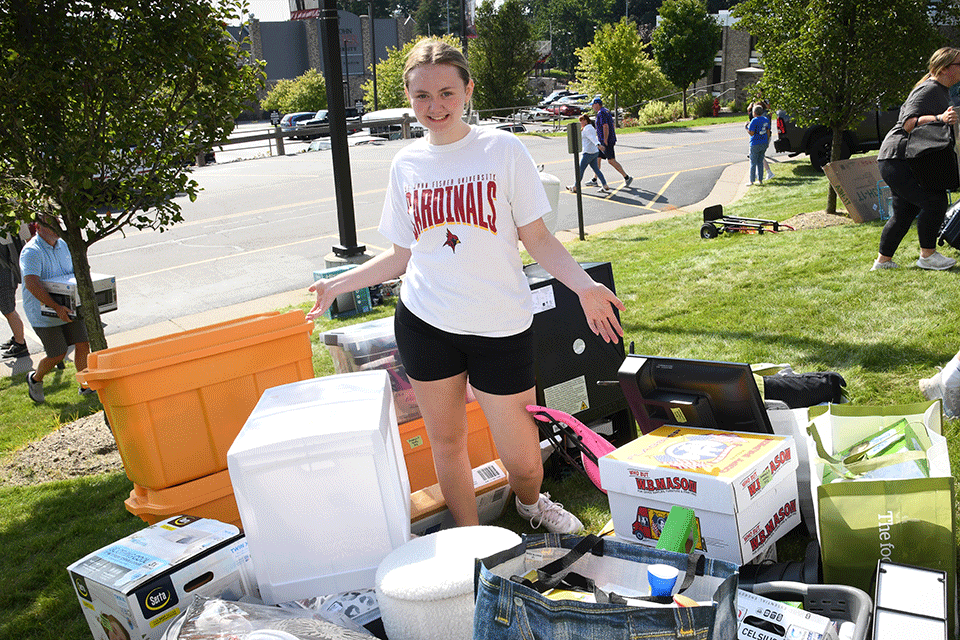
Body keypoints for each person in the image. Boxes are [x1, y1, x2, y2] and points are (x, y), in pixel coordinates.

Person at [306, 39, 625, 533]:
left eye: (447, 93)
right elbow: (400, 256)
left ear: (468, 91)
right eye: (422, 97)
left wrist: (583, 286)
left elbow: (536, 238)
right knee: (447, 443)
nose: (436, 107)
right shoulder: (406, 165)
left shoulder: (502, 149)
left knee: (522, 458)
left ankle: (530, 504)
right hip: (427, 323)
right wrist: (337, 286)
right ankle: (470, 540)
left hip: (500, 326)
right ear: (409, 99)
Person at [872, 47, 960, 271]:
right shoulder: (928, 89)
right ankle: (928, 256)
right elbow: (908, 123)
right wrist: (940, 118)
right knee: (935, 201)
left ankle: (882, 263)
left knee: (905, 211)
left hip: (903, 159)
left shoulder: (941, 89)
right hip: (898, 157)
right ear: (945, 68)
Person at [19, 215, 93, 403]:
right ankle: (35, 378)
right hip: (44, 313)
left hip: (69, 308)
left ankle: (85, 386)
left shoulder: (65, 245)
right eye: (51, 225)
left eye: (58, 224)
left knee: (83, 344)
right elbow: (32, 284)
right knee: (57, 354)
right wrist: (56, 307)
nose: (56, 228)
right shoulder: (32, 252)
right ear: (38, 227)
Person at [0, 224, 29, 359]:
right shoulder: (8, 225)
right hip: (8, 272)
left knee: (8, 310)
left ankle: (20, 343)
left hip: (5, 275)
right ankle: (17, 336)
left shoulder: (4, 231)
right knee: (8, 310)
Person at [590, 97, 633, 186]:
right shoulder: (606, 111)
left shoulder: (601, 113)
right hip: (604, 140)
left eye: (593, 105)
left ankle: (627, 177)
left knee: (611, 160)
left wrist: (605, 140)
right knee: (597, 158)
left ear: (597, 104)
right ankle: (594, 179)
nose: (592, 107)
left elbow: (605, 126)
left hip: (606, 141)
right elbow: (612, 125)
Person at [567, 114, 611, 194]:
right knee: (596, 170)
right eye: (580, 121)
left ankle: (575, 186)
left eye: (583, 120)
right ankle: (605, 185)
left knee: (580, 170)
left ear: (587, 120)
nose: (581, 122)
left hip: (588, 153)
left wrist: (598, 145)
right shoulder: (591, 127)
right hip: (594, 152)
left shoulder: (587, 129)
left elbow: (592, 138)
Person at [746, 96, 775, 181]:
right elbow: (748, 109)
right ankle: (759, 176)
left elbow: (751, 132)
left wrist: (746, 127)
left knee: (756, 158)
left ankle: (766, 173)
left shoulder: (760, 118)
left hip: (757, 139)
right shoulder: (765, 118)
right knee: (760, 157)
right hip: (764, 137)